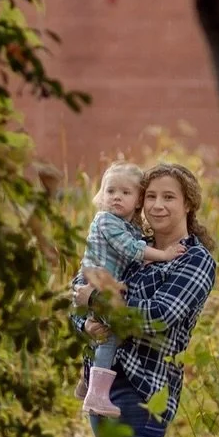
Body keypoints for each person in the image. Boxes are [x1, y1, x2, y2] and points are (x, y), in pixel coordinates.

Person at [73, 161, 217, 437]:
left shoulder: (195, 260)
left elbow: (157, 317)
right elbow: (78, 291)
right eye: (150, 196)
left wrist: (98, 301)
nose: (157, 205)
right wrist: (84, 324)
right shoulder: (127, 240)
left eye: (169, 197)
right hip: (102, 381)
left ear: (188, 204)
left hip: (145, 389)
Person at [76, 161, 186, 416]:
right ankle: (95, 394)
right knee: (110, 335)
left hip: (104, 285)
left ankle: (86, 381)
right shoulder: (106, 220)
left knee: (104, 330)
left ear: (138, 201)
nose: (116, 197)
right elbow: (130, 250)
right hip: (96, 281)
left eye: (125, 192)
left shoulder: (131, 228)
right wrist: (164, 255)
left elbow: (158, 311)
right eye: (110, 191)